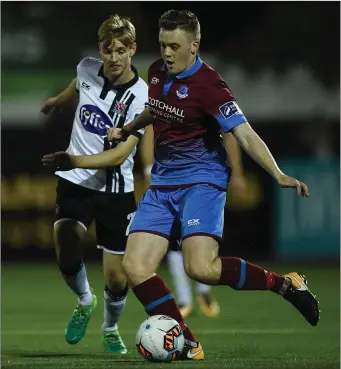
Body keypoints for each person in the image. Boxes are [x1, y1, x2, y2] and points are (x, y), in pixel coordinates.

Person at [107, 9, 320, 361]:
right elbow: (155, 109)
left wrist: (277, 174)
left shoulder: (211, 86)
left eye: (174, 46)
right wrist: (129, 128)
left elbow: (244, 133)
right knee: (135, 267)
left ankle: (285, 284)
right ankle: (188, 342)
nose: (167, 53)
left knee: (200, 269)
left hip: (202, 181)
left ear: (195, 45)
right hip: (162, 184)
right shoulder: (158, 72)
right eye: (162, 45)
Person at [41, 14, 148, 354]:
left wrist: (72, 159)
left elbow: (119, 156)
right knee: (65, 245)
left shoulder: (142, 97)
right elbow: (78, 83)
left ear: (132, 50)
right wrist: (60, 101)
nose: (113, 57)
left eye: (120, 50)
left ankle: (110, 327)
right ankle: (85, 301)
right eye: (107, 50)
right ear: (99, 50)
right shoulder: (87, 68)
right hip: (75, 184)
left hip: (115, 192)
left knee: (118, 278)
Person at [140, 125, 247, 319]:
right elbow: (149, 130)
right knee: (175, 239)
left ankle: (204, 291)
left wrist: (238, 173)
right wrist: (149, 171)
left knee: (204, 235)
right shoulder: (165, 99)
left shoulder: (208, 98)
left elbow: (231, 134)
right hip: (172, 176)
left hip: (206, 177)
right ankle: (184, 299)